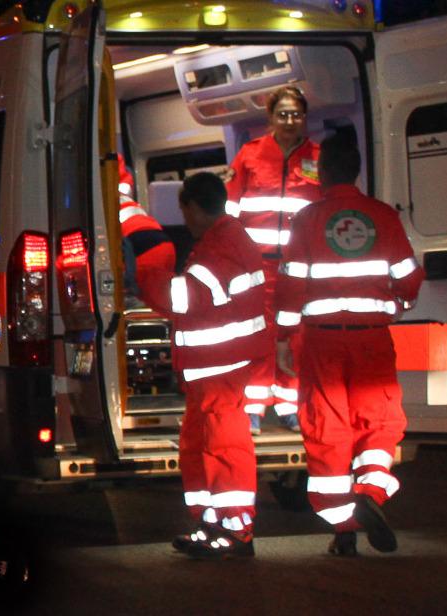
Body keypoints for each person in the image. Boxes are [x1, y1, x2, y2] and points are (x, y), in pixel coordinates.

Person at [274, 134, 424, 556]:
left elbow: (290, 286)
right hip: (372, 340)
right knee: (379, 423)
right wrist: (396, 304)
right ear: (357, 170)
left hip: (322, 343)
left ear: (321, 174)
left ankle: (344, 529)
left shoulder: (306, 219)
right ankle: (371, 496)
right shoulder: (382, 216)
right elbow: (410, 277)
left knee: (328, 431)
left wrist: (285, 338)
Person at [140, 172, 270, 559]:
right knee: (200, 447)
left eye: (185, 211)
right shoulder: (226, 240)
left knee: (224, 447)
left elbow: (184, 298)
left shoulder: (220, 247)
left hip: (220, 369)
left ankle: (235, 529)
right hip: (213, 369)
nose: (185, 220)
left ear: (194, 207)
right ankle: (212, 522)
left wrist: (147, 274)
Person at [224, 85, 322, 434]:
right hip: (258, 263)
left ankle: (288, 404)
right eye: (283, 114)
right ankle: (253, 406)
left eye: (296, 114)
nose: (290, 120)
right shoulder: (250, 156)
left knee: (294, 332)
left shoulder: (316, 157)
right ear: (270, 118)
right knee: (260, 331)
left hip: (299, 265)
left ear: (305, 117)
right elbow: (230, 209)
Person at [117, 155, 176, 312]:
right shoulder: (119, 197)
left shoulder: (97, 207)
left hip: (142, 251)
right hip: (165, 246)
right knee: (161, 305)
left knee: (140, 305)